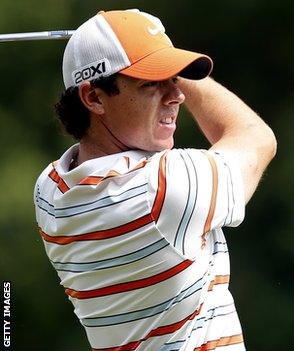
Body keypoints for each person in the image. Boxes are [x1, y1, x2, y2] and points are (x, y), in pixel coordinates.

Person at [33, 9, 276, 351]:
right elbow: (256, 137)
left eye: (174, 80)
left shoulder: (50, 192)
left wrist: (154, 59)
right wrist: (178, 67)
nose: (176, 95)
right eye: (151, 83)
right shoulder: (161, 188)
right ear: (93, 98)